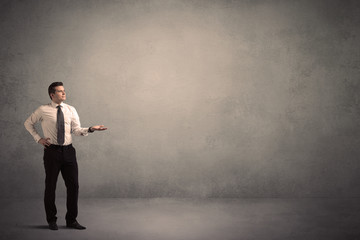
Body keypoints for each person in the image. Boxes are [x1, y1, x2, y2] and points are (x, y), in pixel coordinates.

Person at [24, 82, 107, 230]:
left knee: (73, 186)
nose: (64, 93)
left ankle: (71, 220)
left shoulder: (70, 109)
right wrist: (38, 139)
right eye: (60, 91)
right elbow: (28, 123)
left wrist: (90, 129)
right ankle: (51, 220)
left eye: (64, 91)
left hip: (69, 152)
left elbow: (75, 130)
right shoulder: (43, 110)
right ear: (52, 94)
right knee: (50, 187)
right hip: (52, 152)